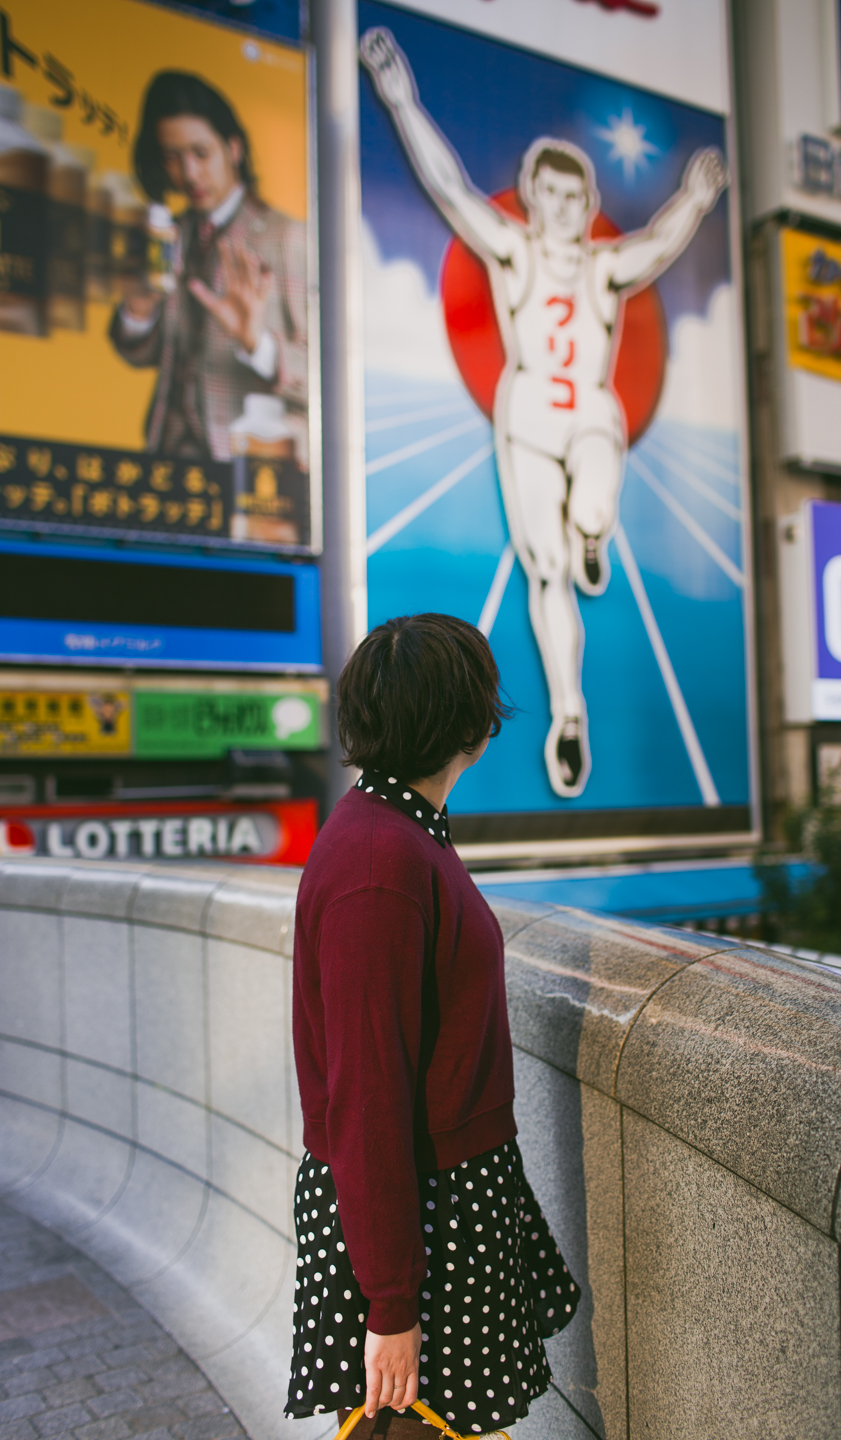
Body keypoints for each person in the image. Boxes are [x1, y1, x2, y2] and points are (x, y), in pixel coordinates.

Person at [360, 28, 727, 799]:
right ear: (535, 199)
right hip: (526, 412)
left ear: (588, 205)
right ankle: (569, 713)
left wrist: (694, 194)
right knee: (548, 573)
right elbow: (449, 188)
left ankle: (595, 527)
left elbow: (659, 243)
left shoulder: (603, 266)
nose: (560, 208)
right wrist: (401, 99)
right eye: (549, 195)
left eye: (573, 197)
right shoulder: (515, 252)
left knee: (593, 494)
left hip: (588, 411)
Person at [286, 613, 580, 1438]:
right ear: (470, 728)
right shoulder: (381, 866)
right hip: (422, 1218)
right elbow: (368, 1095)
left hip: (431, 1208)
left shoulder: (394, 836)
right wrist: (390, 1306)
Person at [110, 70, 308, 464]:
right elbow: (149, 355)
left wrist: (259, 345)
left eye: (201, 154)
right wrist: (138, 311)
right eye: (172, 157)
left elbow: (329, 382)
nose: (190, 174)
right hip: (167, 455)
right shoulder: (170, 234)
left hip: (249, 470)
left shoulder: (285, 237)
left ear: (233, 149)